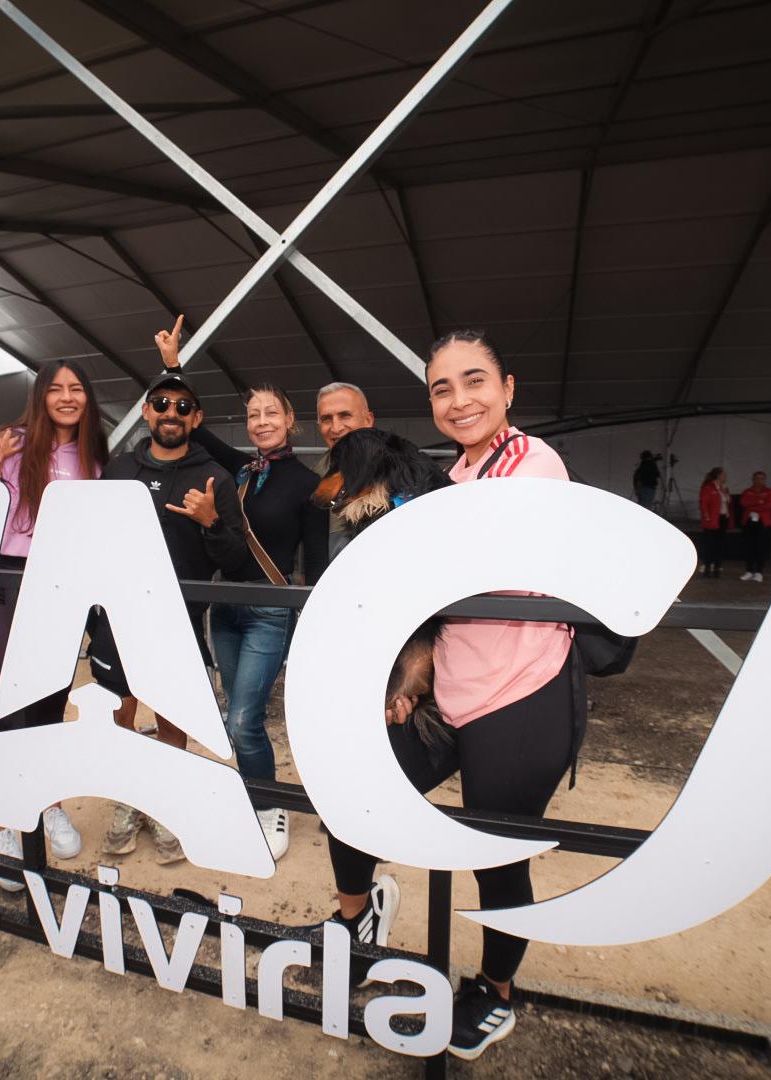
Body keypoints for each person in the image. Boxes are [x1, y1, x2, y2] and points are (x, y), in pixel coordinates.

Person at [324, 328, 584, 1061]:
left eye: (475, 381)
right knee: (352, 792)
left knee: (494, 853)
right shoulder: (455, 476)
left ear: (507, 389)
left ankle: (496, 992)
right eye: (443, 388)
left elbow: (459, 569)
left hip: (522, 692)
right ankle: (356, 917)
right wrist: (414, 670)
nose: (460, 399)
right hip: (451, 689)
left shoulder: (533, 463)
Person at [155, 317, 327, 861]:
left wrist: (313, 624)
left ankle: (271, 806)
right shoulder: (237, 469)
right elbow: (193, 426)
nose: (261, 421)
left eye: (271, 413)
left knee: (242, 718)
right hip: (224, 608)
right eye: (253, 415)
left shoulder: (308, 484)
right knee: (237, 717)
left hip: (270, 611)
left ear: (290, 420)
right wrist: (173, 368)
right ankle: (254, 795)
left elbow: (316, 564)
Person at [87, 363, 247, 864]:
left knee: (173, 713)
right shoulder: (118, 469)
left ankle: (165, 802)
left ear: (196, 417)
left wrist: (211, 521)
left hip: (177, 618)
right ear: (146, 412)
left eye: (182, 406)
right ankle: (128, 799)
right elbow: (95, 541)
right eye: (160, 404)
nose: (170, 413)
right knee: (120, 711)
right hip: (119, 615)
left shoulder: (215, 477)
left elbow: (235, 560)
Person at [0, 361, 106, 867]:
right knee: (10, 710)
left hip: (62, 587)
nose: (67, 397)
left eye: (77, 388)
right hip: (7, 583)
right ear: (41, 396)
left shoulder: (93, 456)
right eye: (56, 389)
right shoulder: (11, 442)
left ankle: (49, 805)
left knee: (50, 705)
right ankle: (1, 821)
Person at [313, 381, 376, 559]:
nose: (336, 427)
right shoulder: (312, 479)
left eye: (345, 415)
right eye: (326, 419)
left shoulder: (402, 470)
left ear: (368, 420)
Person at [737, 471, 771, 582]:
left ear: (764, 480)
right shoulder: (747, 491)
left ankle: (759, 572)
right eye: (757, 478)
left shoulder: (769, 492)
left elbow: (770, 505)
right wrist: (759, 502)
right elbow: (743, 502)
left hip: (763, 523)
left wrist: (753, 506)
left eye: (761, 478)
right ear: (753, 479)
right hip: (749, 522)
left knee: (762, 547)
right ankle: (749, 571)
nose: (759, 480)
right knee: (749, 546)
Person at [697, 467, 729, 578]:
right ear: (718, 475)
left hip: (723, 518)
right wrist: (706, 516)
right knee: (709, 544)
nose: (725, 476)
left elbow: (727, 502)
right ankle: (707, 567)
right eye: (723, 474)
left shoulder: (724, 488)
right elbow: (703, 503)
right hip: (712, 519)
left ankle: (716, 567)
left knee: (719, 544)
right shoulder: (708, 488)